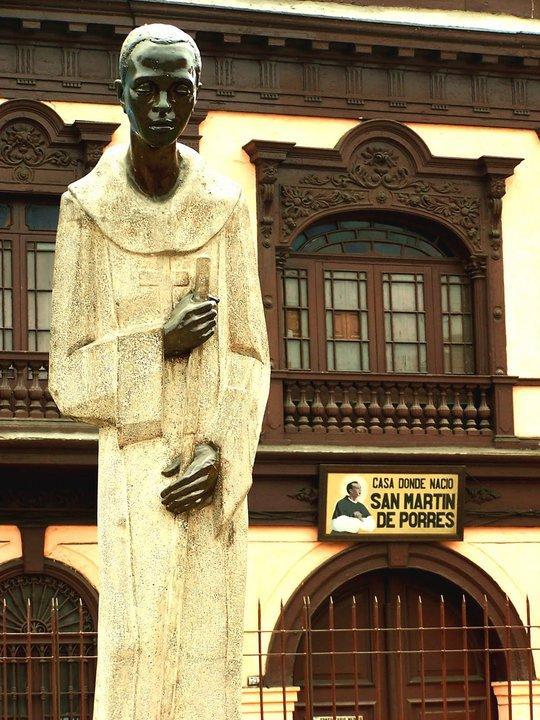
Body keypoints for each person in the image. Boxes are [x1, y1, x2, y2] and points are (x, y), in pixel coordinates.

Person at [48, 24, 270, 720]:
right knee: (138, 650)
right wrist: (158, 344)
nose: (164, 105)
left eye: (180, 89)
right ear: (121, 91)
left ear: (197, 94)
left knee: (208, 656)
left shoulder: (224, 206)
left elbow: (249, 353)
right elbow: (68, 377)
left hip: (210, 472)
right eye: (148, 88)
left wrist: (222, 452)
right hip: (134, 470)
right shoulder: (87, 209)